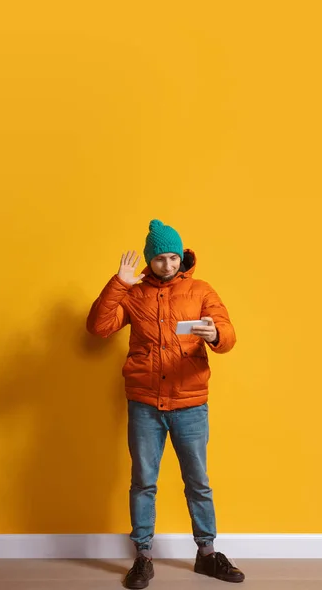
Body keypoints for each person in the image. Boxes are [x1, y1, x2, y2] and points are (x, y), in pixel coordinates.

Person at [87, 219, 245, 587]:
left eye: (174, 257)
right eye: (160, 258)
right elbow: (99, 327)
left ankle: (207, 554)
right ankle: (143, 556)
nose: (168, 265)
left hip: (190, 403)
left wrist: (215, 333)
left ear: (182, 257)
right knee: (143, 480)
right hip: (144, 402)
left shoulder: (202, 290)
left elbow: (229, 333)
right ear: (149, 260)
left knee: (198, 481)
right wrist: (119, 284)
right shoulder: (133, 293)